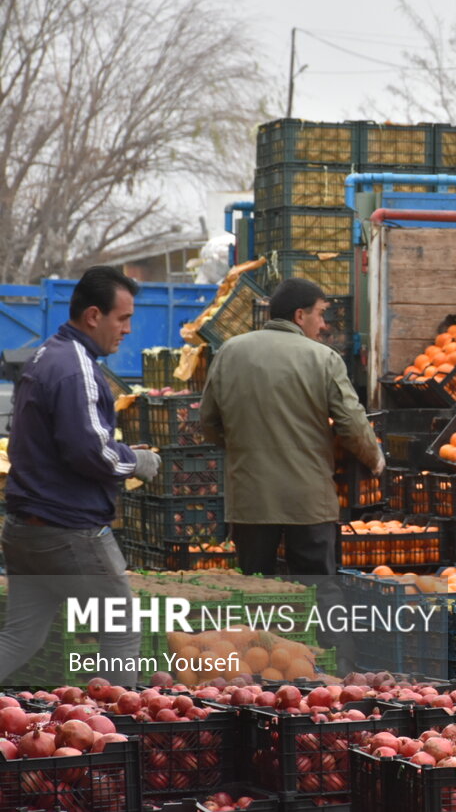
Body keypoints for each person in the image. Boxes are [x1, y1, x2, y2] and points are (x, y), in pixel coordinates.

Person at [200, 278, 384, 670]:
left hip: (250, 498)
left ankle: (257, 670)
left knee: (255, 589)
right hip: (308, 499)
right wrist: (375, 459)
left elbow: (208, 423)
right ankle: (338, 668)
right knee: (321, 588)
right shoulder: (322, 358)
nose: (324, 324)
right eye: (320, 314)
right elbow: (352, 425)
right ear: (299, 315)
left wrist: (243, 450)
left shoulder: (230, 352)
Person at [0, 266, 161, 686]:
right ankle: (114, 735)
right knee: (120, 630)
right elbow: (90, 452)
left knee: (19, 637)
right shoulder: (77, 368)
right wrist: (137, 462)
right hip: (69, 531)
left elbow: (70, 442)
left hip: (25, 528)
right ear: (93, 316)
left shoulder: (45, 354)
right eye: (122, 318)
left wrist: (117, 453)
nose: (127, 329)